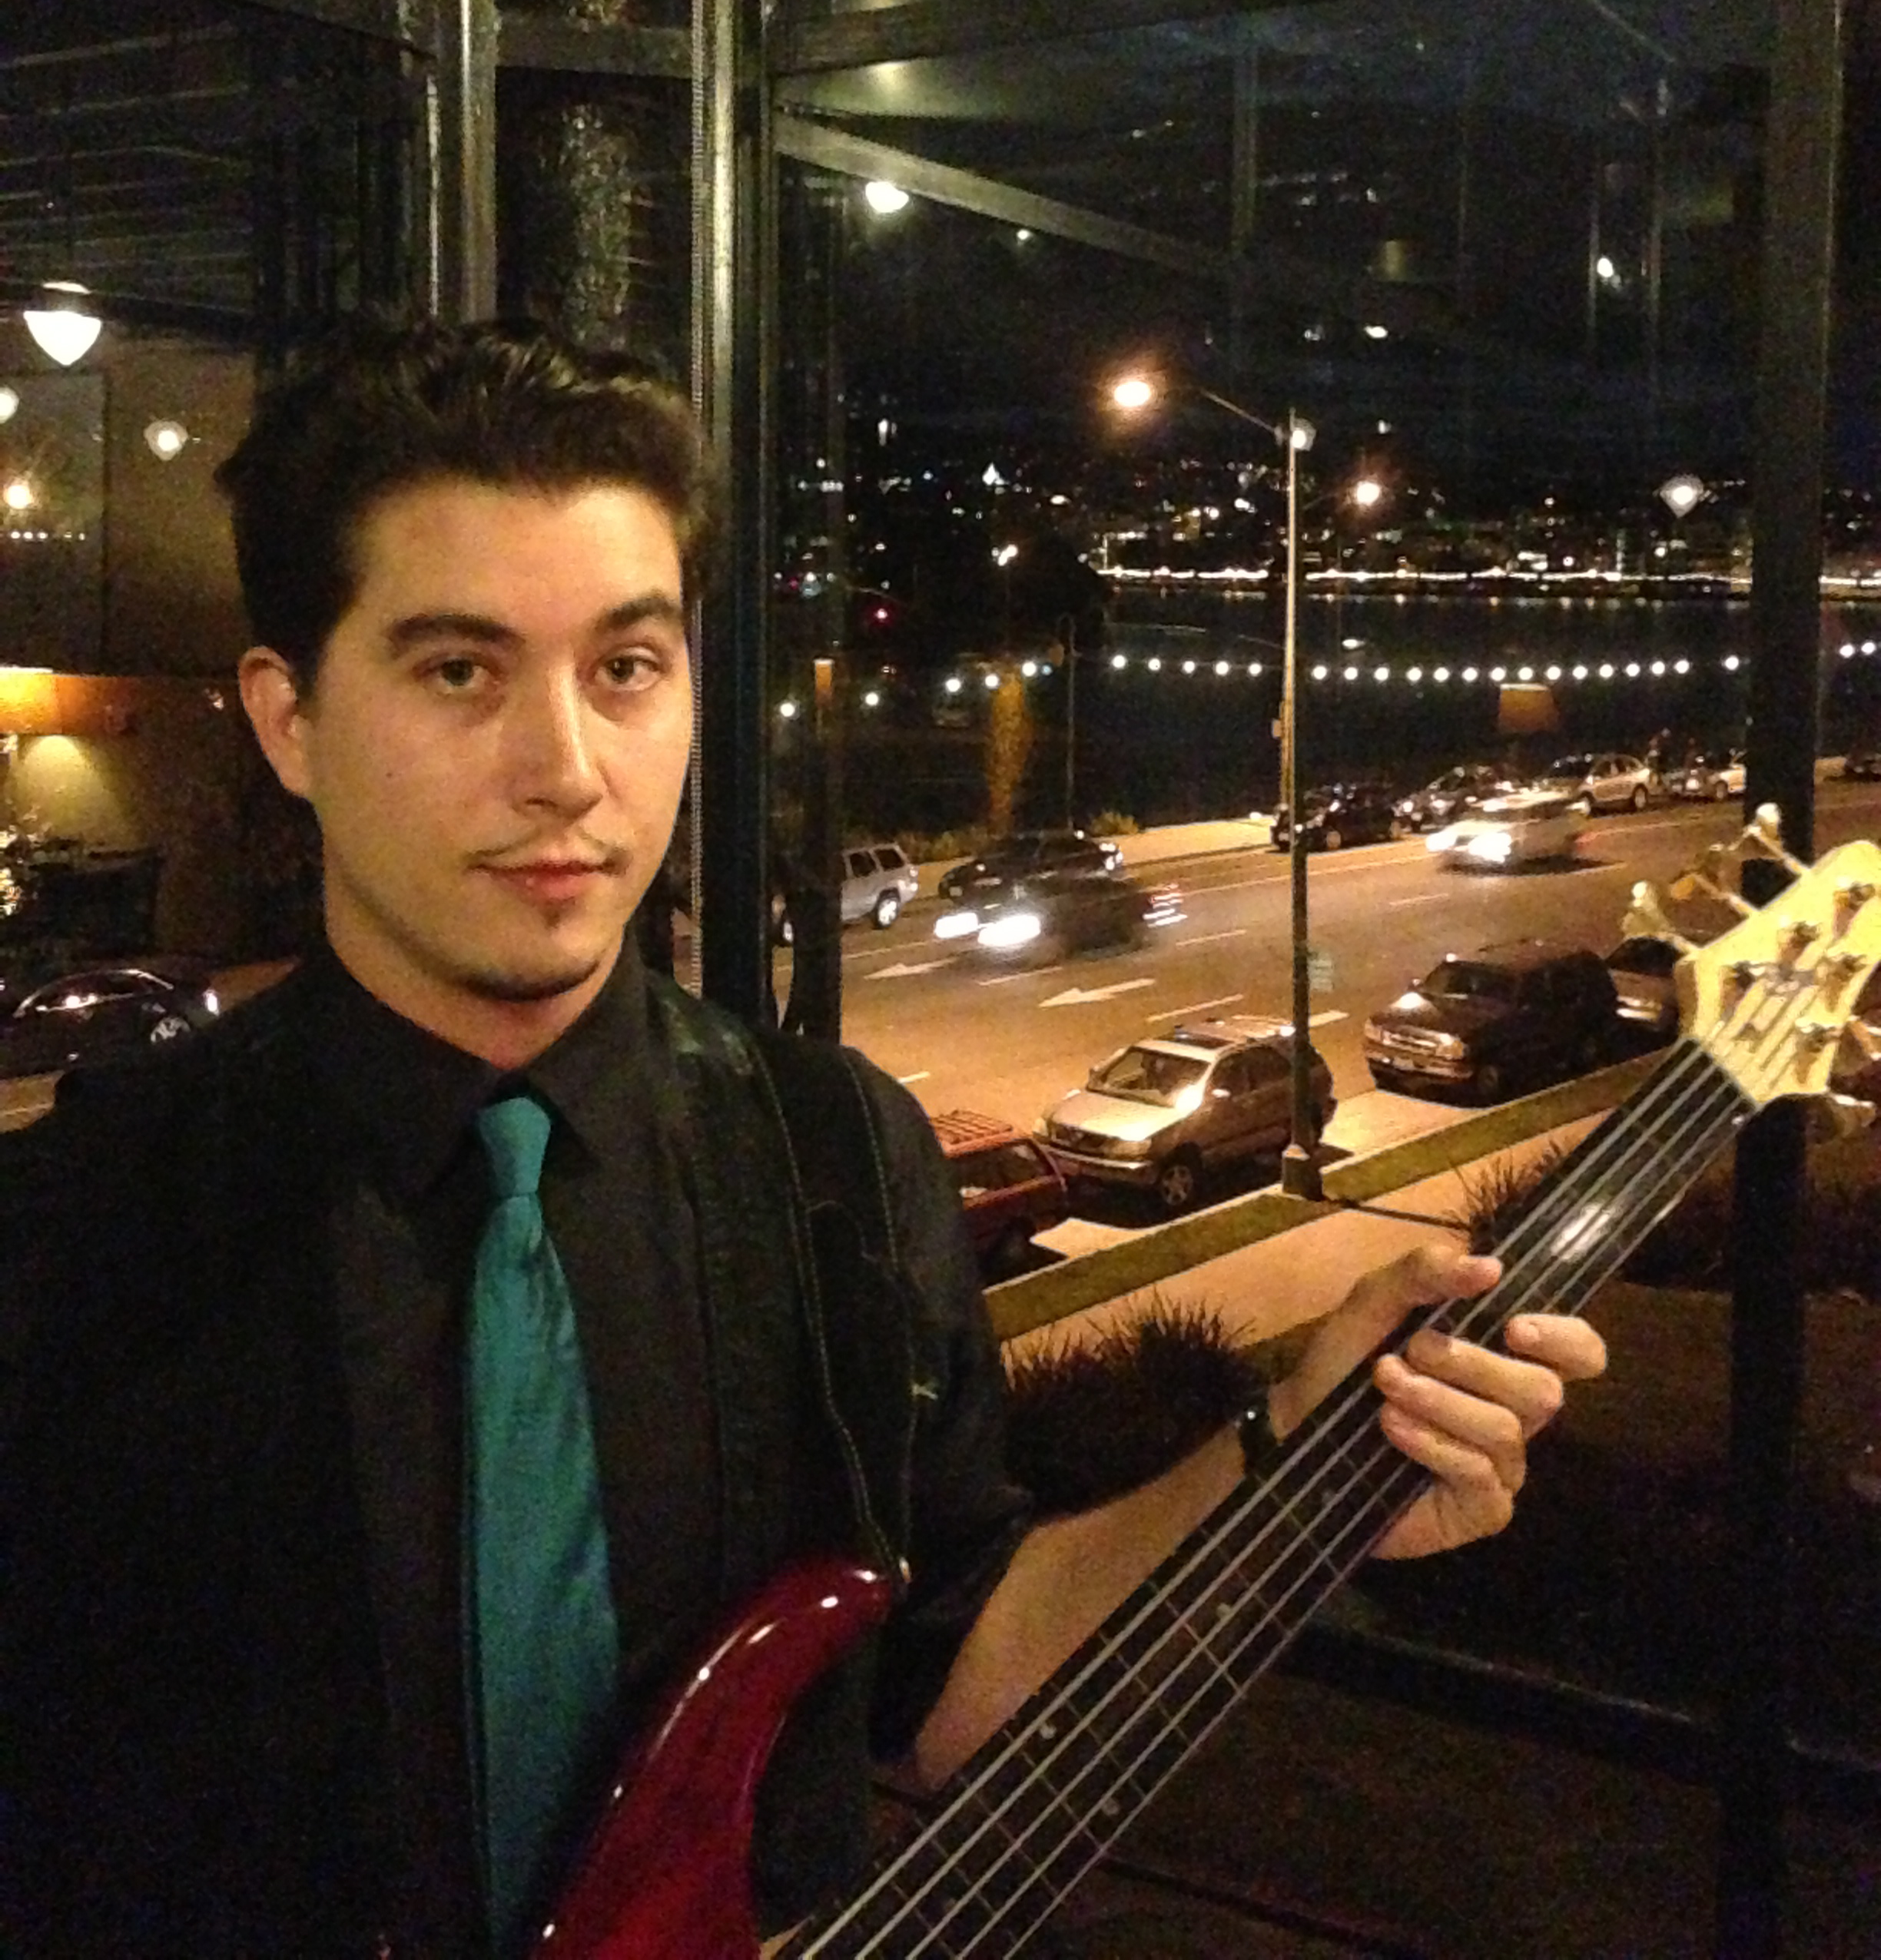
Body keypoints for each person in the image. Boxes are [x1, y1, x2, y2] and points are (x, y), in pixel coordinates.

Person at [0, 320, 1605, 1960]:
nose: (567, 773)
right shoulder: (80, 1224)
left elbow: (951, 1676)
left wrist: (1295, 1463)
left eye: (627, 668)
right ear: (289, 720)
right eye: (460, 672)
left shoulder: (835, 1159)